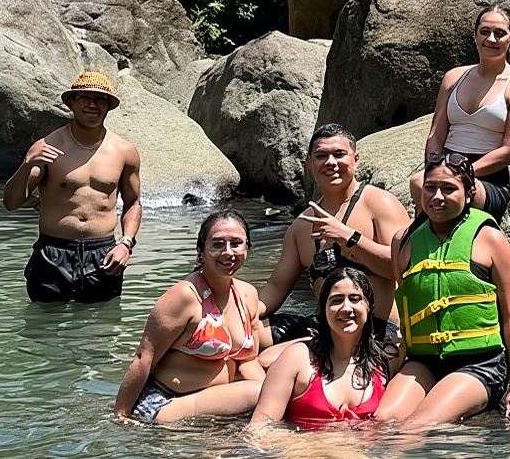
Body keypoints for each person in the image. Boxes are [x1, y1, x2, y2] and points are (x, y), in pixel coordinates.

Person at [375, 154, 510, 430]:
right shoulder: (403, 242)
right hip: (423, 361)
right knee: (382, 422)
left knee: (417, 426)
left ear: (469, 193)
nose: (437, 197)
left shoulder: (490, 239)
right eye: (430, 188)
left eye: (449, 189)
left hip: (480, 364)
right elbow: (406, 316)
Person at [258, 124, 410, 356]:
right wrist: (237, 311)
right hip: (324, 329)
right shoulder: (300, 227)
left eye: (339, 154)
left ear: (355, 159)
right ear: (309, 163)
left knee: (271, 361)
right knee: (247, 333)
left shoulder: (379, 204)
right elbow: (276, 286)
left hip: (377, 331)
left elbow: (403, 267)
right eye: (321, 156)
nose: (331, 162)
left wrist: (348, 238)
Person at [3, 71, 142, 303]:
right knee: (44, 330)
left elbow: (133, 203)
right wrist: (27, 165)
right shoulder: (48, 146)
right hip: (53, 253)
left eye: (99, 99)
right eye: (84, 98)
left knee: (102, 329)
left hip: (104, 253)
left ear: (108, 105)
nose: (92, 104)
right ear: (71, 102)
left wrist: (126, 244)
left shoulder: (124, 151)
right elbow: (11, 202)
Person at [114, 211, 263, 422]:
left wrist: (282, 397)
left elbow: (248, 361)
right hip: (164, 402)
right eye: (218, 244)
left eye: (236, 243)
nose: (228, 252)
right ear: (201, 252)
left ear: (247, 248)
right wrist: (120, 416)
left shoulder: (248, 295)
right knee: (259, 394)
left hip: (208, 401)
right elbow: (143, 358)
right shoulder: (185, 296)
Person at [410, 6, 510, 222]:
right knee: (418, 183)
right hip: (446, 163)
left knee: (453, 193)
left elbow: (508, 151)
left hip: (487, 178)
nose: (491, 39)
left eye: (499, 33)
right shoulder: (453, 77)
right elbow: (436, 135)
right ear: (475, 35)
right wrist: (435, 167)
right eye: (485, 31)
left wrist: (463, 174)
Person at [249, 266, 392, 430]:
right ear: (323, 310)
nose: (346, 308)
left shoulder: (381, 362)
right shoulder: (298, 358)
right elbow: (260, 429)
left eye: (354, 298)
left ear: (369, 307)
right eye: (336, 300)